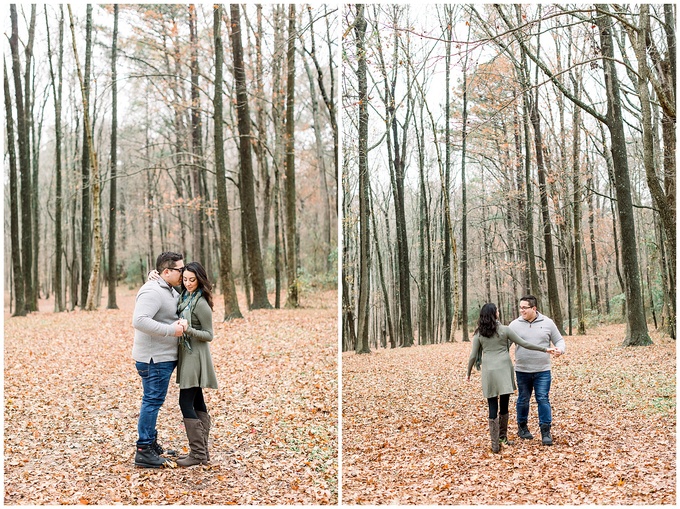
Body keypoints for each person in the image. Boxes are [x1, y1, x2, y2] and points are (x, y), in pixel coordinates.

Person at [466, 303, 556, 453]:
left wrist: (468, 373)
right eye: (497, 310)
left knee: (492, 405)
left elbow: (473, 356)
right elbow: (524, 343)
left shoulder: (479, 334)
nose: (498, 312)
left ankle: (495, 444)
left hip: (489, 372)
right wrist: (545, 349)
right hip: (504, 370)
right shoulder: (505, 330)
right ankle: (503, 437)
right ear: (494, 314)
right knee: (504, 405)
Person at [132, 251, 187, 468]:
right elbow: (139, 320)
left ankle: (151, 443)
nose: (183, 273)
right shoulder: (153, 290)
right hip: (154, 359)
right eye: (180, 270)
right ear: (166, 271)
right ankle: (144, 449)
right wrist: (170, 331)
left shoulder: (167, 288)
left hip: (162, 357)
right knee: (152, 401)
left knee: (154, 400)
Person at [174, 261, 218, 467]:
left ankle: (198, 453)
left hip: (196, 356)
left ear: (199, 279)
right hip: (186, 354)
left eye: (192, 280)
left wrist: (188, 329)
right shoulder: (185, 297)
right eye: (185, 279)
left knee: (185, 402)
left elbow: (209, 335)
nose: (188, 283)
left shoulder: (200, 303)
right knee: (198, 402)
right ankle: (203, 452)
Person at [509, 295, 566, 446]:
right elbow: (504, 345)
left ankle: (545, 431)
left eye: (524, 308)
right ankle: (522, 427)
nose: (521, 310)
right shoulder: (514, 325)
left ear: (534, 308)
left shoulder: (547, 323)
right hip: (522, 369)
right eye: (520, 307)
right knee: (523, 399)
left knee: (542, 398)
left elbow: (559, 340)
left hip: (542, 370)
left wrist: (560, 349)